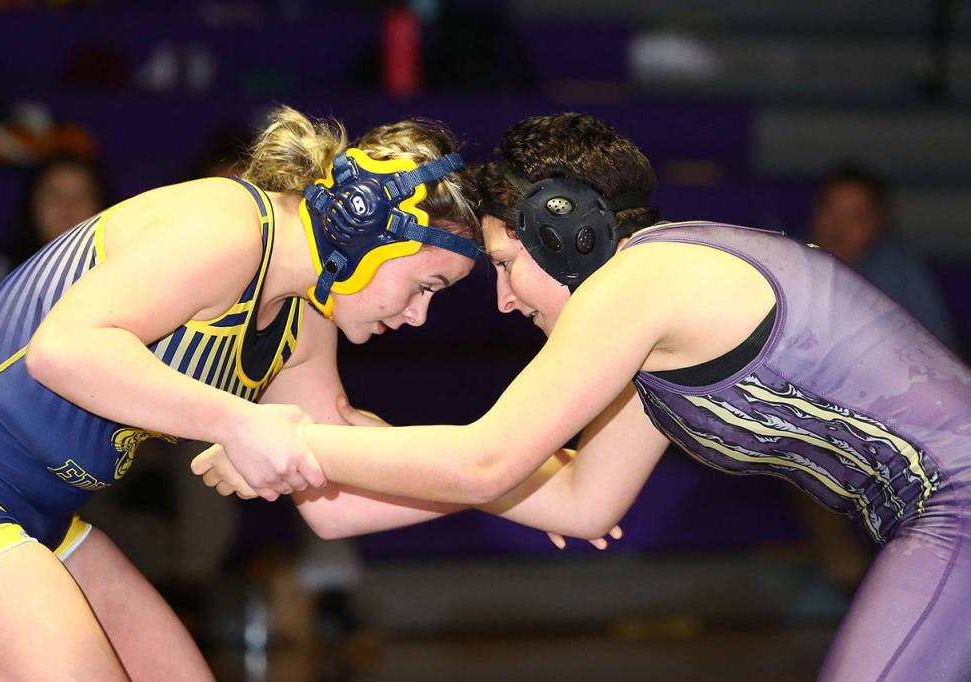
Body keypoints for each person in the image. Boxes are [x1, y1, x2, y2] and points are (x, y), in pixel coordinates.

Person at [199, 112, 971, 681]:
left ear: (566, 232)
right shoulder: (660, 333)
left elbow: (483, 462)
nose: (503, 301)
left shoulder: (644, 278)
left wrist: (287, 439)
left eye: (504, 264)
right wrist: (342, 444)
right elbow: (579, 503)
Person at [0, 105, 568, 680]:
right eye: (427, 285)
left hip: (37, 516)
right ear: (373, 228)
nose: (418, 317)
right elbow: (66, 350)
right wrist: (241, 422)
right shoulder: (228, 226)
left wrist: (506, 478)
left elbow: (334, 498)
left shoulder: (304, 317)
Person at [812, 163, 955, 347]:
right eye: (831, 210)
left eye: (855, 216)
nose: (839, 226)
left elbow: (937, 351)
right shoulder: (790, 260)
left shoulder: (901, 273)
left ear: (878, 223)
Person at [0, 154, 109, 294]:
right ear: (32, 203)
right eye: (55, 195)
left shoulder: (119, 263)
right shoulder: (5, 267)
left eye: (81, 195)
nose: (68, 206)